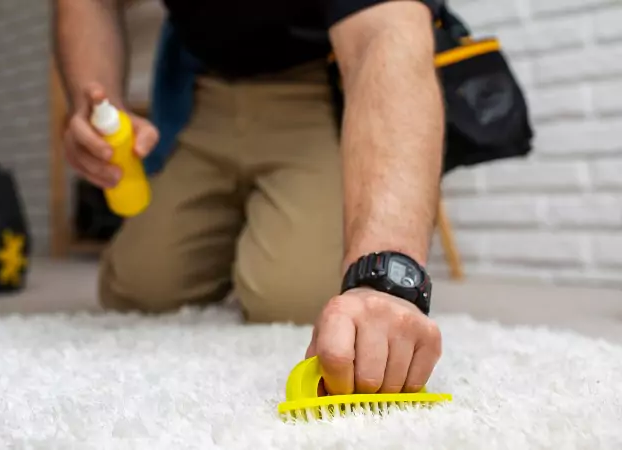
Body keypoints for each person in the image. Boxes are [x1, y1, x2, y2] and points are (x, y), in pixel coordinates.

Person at [55, 0, 445, 397]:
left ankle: (271, 232)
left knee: (290, 298)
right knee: (137, 287)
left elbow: (384, 31)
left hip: (316, 89)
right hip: (202, 92)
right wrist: (97, 103)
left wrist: (384, 279)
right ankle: (249, 230)